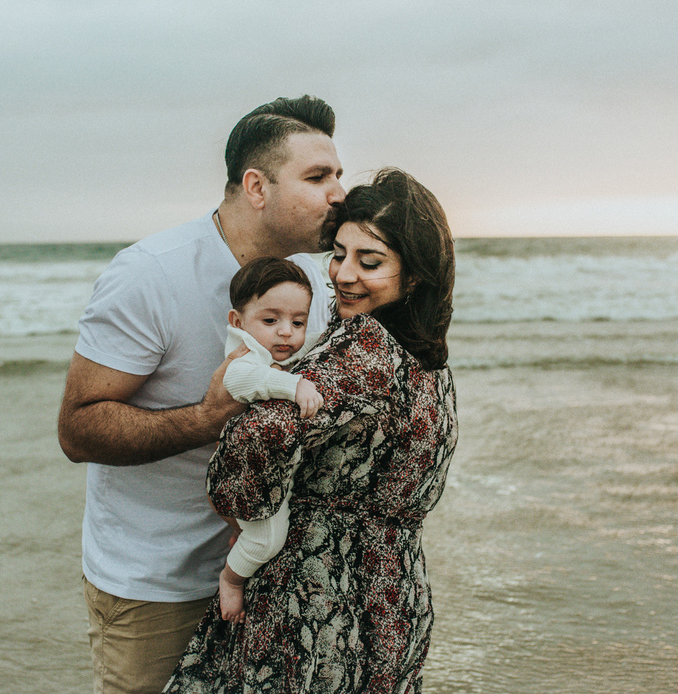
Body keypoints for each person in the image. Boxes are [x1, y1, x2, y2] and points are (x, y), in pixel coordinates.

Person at [57, 95, 345, 694]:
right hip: (157, 582)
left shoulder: (321, 279)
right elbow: (78, 431)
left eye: (338, 175)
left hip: (275, 571)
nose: (338, 193)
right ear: (256, 186)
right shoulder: (151, 275)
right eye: (318, 178)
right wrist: (208, 417)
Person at [164, 168, 459, 694]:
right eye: (339, 254)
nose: (344, 275)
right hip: (395, 592)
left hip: (316, 590)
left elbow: (259, 440)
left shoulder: (365, 349)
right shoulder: (431, 364)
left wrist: (237, 500)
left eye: (369, 262)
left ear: (414, 276)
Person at [218, 256, 325, 623]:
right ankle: (231, 581)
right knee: (267, 540)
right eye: (270, 320)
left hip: (266, 470)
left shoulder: (271, 347)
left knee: (263, 534)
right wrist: (294, 384)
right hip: (248, 473)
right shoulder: (245, 354)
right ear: (238, 321)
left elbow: (312, 343)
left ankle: (243, 548)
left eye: (298, 322)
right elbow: (239, 380)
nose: (286, 332)